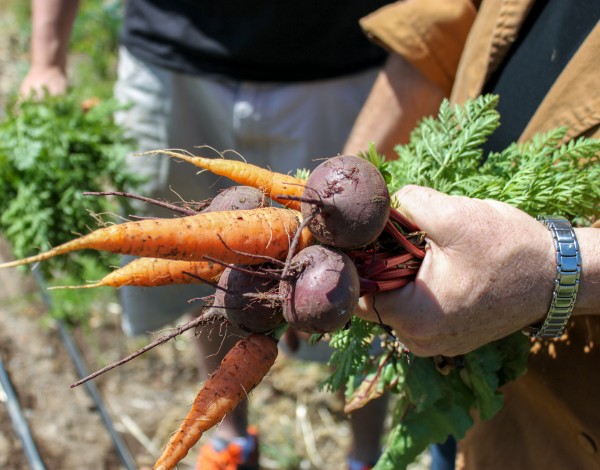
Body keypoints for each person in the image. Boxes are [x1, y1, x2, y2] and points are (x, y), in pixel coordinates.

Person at [20, 1, 394, 469]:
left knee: (367, 291)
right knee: (211, 267)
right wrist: (47, 57)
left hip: (342, 60)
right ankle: (230, 444)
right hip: (171, 54)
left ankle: (368, 457)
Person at [343, 0, 599, 468]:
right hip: (451, 363)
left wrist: (558, 267)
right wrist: (343, 191)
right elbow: (443, 21)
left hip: (568, 423)